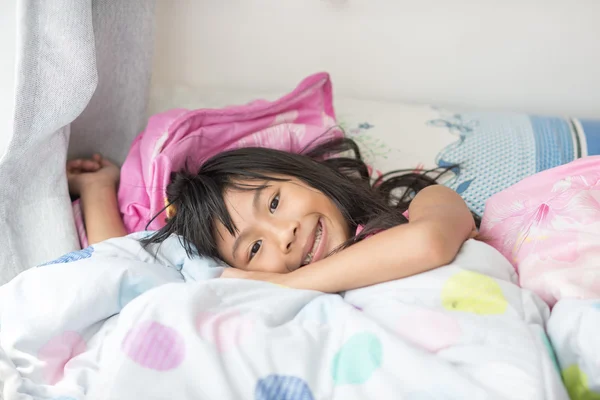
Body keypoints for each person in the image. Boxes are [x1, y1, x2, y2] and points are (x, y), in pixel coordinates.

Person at [67, 138, 477, 293]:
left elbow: (428, 242)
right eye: (255, 247)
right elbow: (129, 271)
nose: (284, 235)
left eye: (275, 203)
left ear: (305, 175)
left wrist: (290, 282)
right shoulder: (248, 286)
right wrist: (99, 188)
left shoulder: (425, 205)